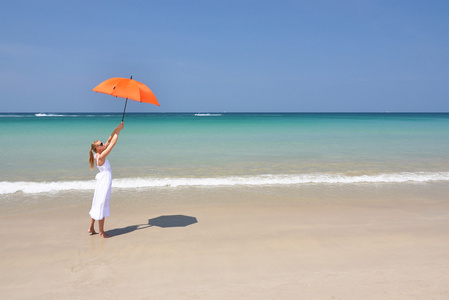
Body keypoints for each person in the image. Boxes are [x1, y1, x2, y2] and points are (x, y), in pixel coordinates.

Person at [88, 121, 124, 238]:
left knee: (97, 203)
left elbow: (109, 140)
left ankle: (91, 228)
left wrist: (117, 128)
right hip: (104, 182)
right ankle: (101, 233)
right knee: (102, 204)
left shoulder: (96, 154)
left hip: (102, 180)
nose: (104, 144)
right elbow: (113, 143)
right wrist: (118, 133)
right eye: (101, 144)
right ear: (97, 148)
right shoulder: (102, 156)